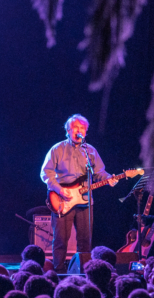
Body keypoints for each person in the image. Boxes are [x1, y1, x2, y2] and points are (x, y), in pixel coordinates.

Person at [40, 114, 116, 270]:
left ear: (86, 132)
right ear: (68, 130)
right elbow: (45, 173)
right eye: (76, 127)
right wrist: (60, 190)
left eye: (83, 128)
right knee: (61, 239)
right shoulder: (57, 149)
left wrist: (109, 178)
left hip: (86, 201)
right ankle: (58, 272)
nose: (79, 130)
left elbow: (99, 173)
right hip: (62, 199)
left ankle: (85, 272)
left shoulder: (90, 151)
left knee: (85, 240)